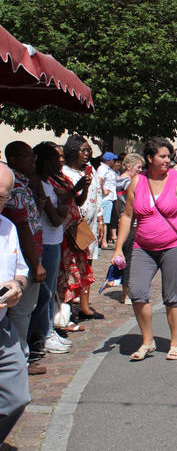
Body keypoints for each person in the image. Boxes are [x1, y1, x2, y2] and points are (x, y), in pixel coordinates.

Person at [112, 137, 177, 362]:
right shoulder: (137, 182)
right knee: (137, 292)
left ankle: (174, 342)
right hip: (143, 246)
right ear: (150, 158)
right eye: (162, 156)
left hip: (172, 246)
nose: (167, 160)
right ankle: (147, 341)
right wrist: (118, 249)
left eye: (168, 156)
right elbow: (127, 216)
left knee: (172, 296)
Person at [3, 142, 46, 373]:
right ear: (16, 159)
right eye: (30, 158)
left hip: (26, 256)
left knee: (38, 302)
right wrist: (36, 263)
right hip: (24, 259)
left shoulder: (24, 184)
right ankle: (19, 361)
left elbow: (31, 219)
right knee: (21, 312)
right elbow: (21, 226)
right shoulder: (15, 187)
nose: (34, 162)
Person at [0, 162, 32, 440]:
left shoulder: (7, 226)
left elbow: (22, 270)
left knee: (17, 398)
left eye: (2, 197)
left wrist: (17, 286)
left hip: (2, 329)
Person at [29, 143, 71, 357]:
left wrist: (75, 190)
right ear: (46, 163)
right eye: (56, 159)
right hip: (45, 241)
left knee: (49, 290)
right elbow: (54, 218)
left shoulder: (48, 182)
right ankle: (42, 334)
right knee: (44, 292)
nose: (60, 162)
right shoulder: (38, 183)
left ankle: (47, 330)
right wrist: (63, 212)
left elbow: (60, 202)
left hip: (54, 241)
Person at [61, 135, 103, 322]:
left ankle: (85, 306)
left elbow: (98, 193)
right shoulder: (65, 172)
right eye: (83, 150)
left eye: (88, 150)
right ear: (72, 151)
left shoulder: (90, 170)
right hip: (74, 224)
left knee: (88, 265)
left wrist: (101, 219)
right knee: (72, 266)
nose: (87, 154)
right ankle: (68, 306)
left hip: (91, 223)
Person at [117, 154, 144, 305]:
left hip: (129, 223)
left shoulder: (121, 180)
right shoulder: (127, 181)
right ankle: (126, 294)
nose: (140, 170)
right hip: (130, 224)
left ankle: (128, 291)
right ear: (128, 166)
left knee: (130, 259)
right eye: (138, 167)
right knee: (130, 259)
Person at [96, 152, 118, 248]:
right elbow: (99, 179)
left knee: (106, 220)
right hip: (105, 198)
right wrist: (103, 190)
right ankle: (103, 241)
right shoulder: (103, 169)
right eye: (112, 159)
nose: (114, 161)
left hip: (110, 198)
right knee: (104, 221)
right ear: (109, 160)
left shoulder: (108, 169)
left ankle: (103, 240)